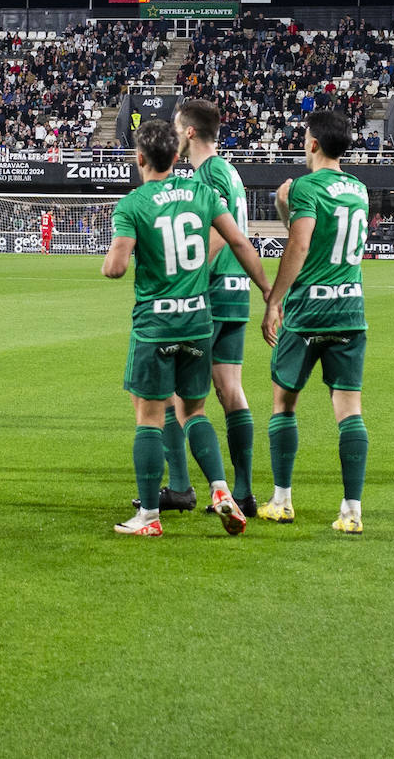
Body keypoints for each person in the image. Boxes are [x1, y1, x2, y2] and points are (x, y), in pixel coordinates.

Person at [103, 118, 269, 537]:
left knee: (148, 415)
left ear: (139, 158)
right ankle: (220, 490)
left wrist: (119, 253)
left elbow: (116, 268)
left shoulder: (134, 204)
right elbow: (240, 242)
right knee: (195, 410)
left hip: (156, 325)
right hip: (198, 321)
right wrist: (269, 290)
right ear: (177, 157)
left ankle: (149, 518)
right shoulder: (202, 193)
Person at [151, 98, 272, 518]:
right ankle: (243, 492)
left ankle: (182, 487)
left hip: (213, 294)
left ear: (188, 132)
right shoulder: (230, 172)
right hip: (235, 293)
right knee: (230, 390)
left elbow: (222, 233)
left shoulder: (211, 173)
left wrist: (189, 274)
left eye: (175, 125)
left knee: (177, 397)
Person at [259, 110, 371, 535]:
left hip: (308, 311)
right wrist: (289, 211)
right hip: (350, 310)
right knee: (349, 411)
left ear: (313, 144)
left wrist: (274, 301)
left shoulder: (307, 186)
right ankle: (351, 512)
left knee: (284, 403)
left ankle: (282, 500)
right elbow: (323, 238)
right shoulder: (359, 190)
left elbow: (302, 243)